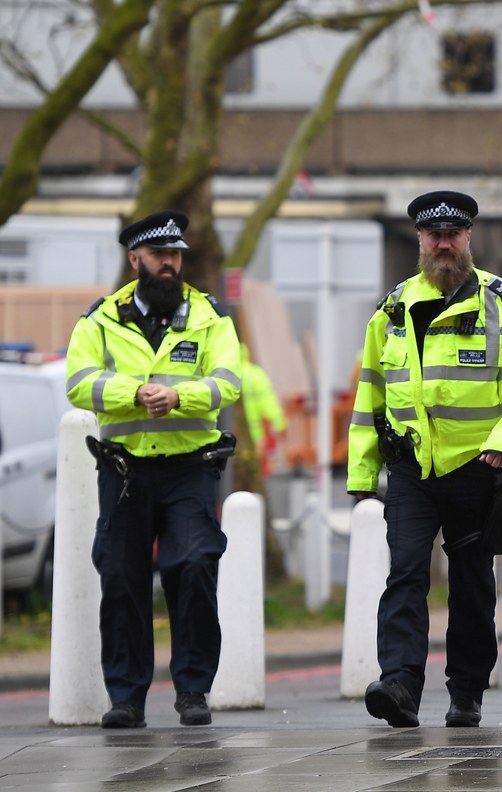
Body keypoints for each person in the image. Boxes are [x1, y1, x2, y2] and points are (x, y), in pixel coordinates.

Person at [347, 190, 502, 729]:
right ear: (420, 241)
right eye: (435, 236)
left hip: (479, 469)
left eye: (453, 235)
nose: (445, 244)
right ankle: (400, 684)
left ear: (468, 238)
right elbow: (370, 392)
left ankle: (467, 692)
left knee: (472, 583)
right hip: (410, 470)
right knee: (405, 574)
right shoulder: (392, 310)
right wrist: (362, 472)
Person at [64, 210, 242, 729]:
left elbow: (228, 380)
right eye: (160, 255)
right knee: (122, 579)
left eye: (177, 254)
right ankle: (126, 697)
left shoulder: (210, 316)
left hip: (190, 466)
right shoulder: (100, 320)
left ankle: (192, 690)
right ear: (134, 259)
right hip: (124, 474)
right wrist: (134, 395)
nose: (170, 263)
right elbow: (78, 381)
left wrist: (180, 395)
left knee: (193, 566)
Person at [239, 343, 287, 477]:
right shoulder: (255, 374)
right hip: (256, 437)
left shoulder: (225, 375)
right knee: (256, 476)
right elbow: (268, 402)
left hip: (232, 438)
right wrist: (280, 424)